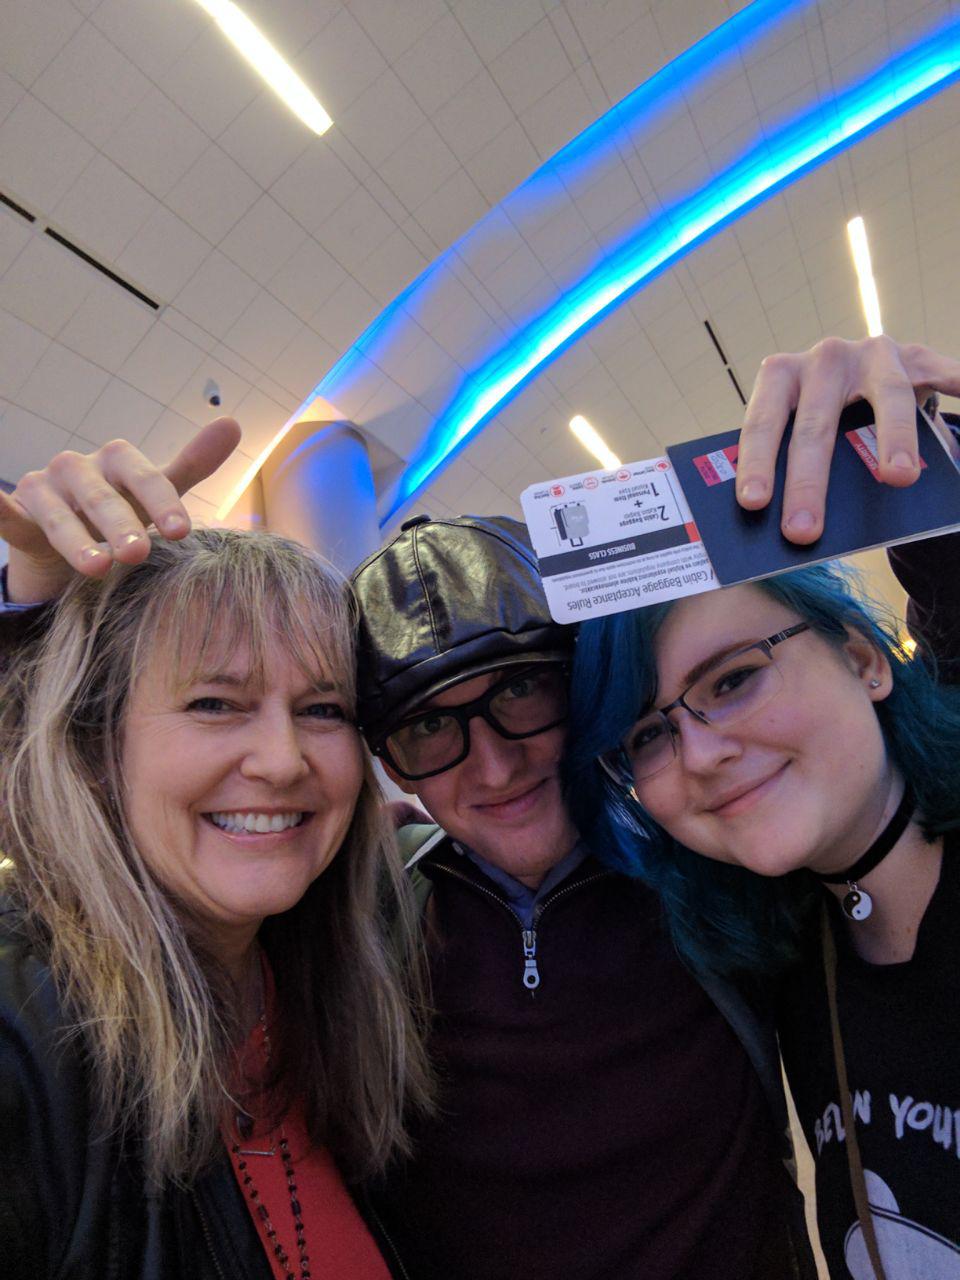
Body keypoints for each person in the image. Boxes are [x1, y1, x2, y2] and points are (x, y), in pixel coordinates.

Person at [2, 335, 958, 1278]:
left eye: (519, 696)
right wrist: (36, 624)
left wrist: (933, 492)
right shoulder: (342, 926)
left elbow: (893, 790)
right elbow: (100, 879)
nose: (493, 766)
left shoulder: (717, 870)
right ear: (384, 759)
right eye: (429, 730)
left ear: (581, 692)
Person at [0, 527, 432, 1279]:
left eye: (323, 710)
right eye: (215, 702)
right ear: (97, 751)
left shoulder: (351, 980)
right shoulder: (28, 1038)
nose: (282, 759)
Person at [564, 554, 960, 1279]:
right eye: (649, 735)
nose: (702, 754)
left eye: (734, 679)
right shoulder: (783, 955)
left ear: (864, 658)